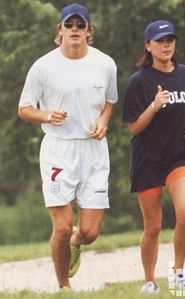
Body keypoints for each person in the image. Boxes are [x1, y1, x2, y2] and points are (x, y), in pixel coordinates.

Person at [18, 3, 117, 290]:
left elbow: (110, 101)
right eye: (69, 25)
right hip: (58, 150)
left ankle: (77, 242)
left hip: (94, 150)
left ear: (89, 31)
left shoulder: (105, 63)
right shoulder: (43, 67)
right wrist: (48, 115)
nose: (75, 29)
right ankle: (64, 287)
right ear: (59, 30)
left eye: (80, 25)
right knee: (61, 227)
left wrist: (103, 120)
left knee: (89, 231)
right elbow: (24, 109)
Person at [123, 19, 185, 294]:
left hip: (179, 155)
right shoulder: (138, 82)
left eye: (170, 40)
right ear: (148, 46)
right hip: (148, 160)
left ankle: (178, 273)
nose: (166, 45)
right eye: (160, 41)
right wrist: (154, 107)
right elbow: (134, 127)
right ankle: (149, 281)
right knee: (153, 227)